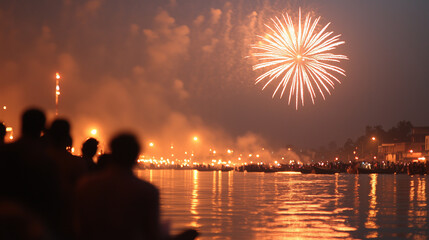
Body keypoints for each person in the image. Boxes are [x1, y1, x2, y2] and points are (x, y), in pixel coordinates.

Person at [75, 133, 162, 240]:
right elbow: (152, 233)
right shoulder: (147, 191)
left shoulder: (86, 186)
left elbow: (79, 226)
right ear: (136, 156)